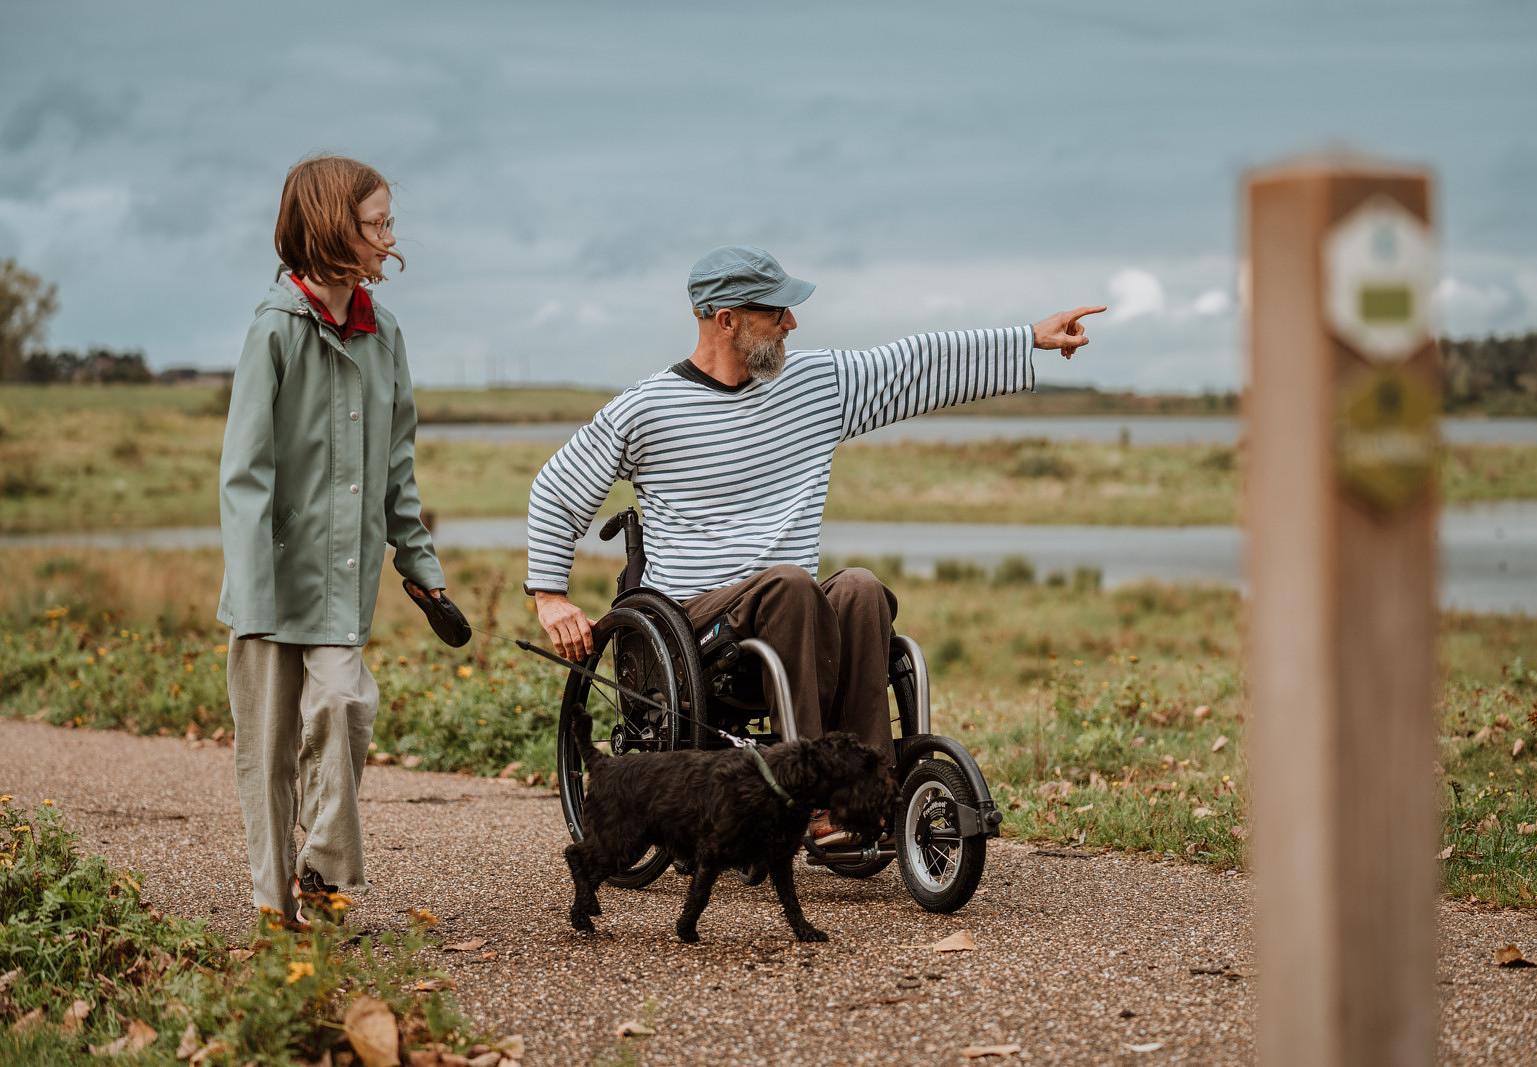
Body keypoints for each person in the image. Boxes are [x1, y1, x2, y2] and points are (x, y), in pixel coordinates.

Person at [525, 245, 1103, 843]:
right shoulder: (647, 409)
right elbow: (557, 486)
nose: (792, 323)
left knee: (859, 588)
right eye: (778, 312)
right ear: (726, 319)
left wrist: (1028, 337)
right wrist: (550, 597)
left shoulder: (814, 383)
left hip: (787, 604)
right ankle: (812, 798)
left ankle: (866, 801)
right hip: (692, 618)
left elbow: (915, 365)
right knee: (793, 584)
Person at [217, 154, 451, 925]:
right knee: (271, 750)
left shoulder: (384, 333)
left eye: (389, 221)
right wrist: (252, 595)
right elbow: (244, 475)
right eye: (377, 222)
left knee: (344, 710)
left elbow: (397, 465)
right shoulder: (275, 332)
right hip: (270, 585)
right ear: (331, 228)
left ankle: (318, 874)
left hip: (344, 583)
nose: (391, 236)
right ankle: (270, 905)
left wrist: (420, 564)